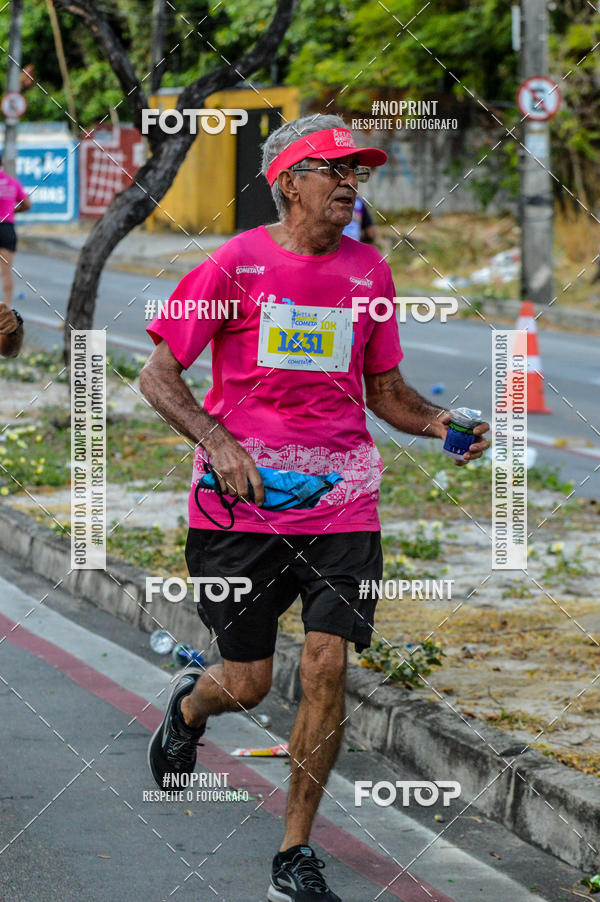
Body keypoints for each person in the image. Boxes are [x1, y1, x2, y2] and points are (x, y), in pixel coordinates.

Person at [140, 113, 490, 902]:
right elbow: (159, 376)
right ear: (288, 180)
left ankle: (294, 854)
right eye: (334, 170)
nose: (349, 184)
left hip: (344, 503)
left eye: (357, 173)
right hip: (242, 507)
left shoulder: (370, 270)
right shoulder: (235, 263)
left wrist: (442, 423)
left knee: (328, 666)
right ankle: (191, 708)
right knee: (249, 682)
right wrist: (217, 440)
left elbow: (388, 395)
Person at [0, 154, 31, 305]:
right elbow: (27, 204)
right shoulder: (12, 183)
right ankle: (7, 309)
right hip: (7, 229)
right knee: (6, 272)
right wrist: (11, 211)